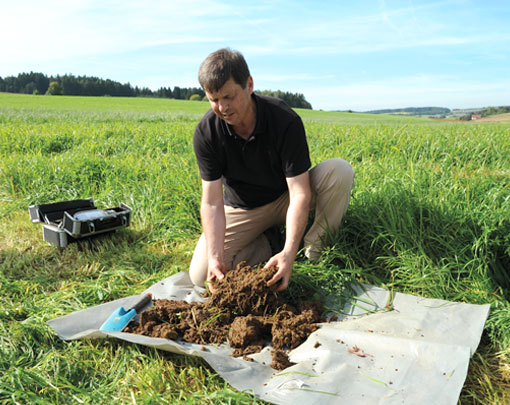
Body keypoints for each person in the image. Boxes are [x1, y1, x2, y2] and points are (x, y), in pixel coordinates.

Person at [189, 48, 354, 291]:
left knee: (340, 171)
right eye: (214, 100)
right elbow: (212, 202)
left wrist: (289, 253)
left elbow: (299, 193)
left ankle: (313, 252)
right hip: (243, 208)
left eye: (229, 96)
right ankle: (271, 243)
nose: (222, 107)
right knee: (201, 275)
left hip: (285, 198)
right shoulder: (207, 132)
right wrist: (215, 258)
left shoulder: (283, 119)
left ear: (249, 84)